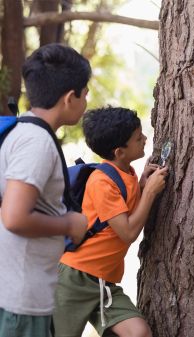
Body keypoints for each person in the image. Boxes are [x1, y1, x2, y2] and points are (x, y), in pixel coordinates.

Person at [53, 107, 168, 337]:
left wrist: (142, 186)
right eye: (138, 138)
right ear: (119, 152)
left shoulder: (127, 173)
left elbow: (124, 211)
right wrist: (150, 194)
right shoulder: (101, 183)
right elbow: (127, 232)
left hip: (103, 283)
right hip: (74, 280)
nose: (145, 138)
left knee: (138, 332)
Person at [0, 43, 90, 337]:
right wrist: (70, 223)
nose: (86, 101)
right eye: (85, 94)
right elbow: (14, 217)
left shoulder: (20, 130)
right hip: (20, 303)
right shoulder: (36, 142)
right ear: (69, 98)